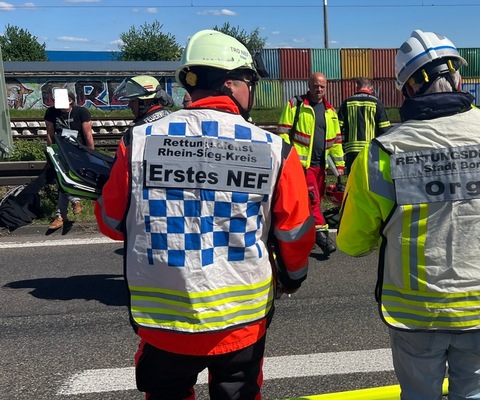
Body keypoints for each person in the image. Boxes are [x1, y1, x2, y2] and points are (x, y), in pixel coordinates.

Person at [94, 29, 316, 399]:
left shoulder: (138, 141)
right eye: (250, 81)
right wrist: (293, 278)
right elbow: (294, 233)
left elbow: (111, 223)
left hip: (163, 322)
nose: (251, 90)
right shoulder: (275, 149)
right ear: (233, 83)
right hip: (240, 320)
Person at [337, 30, 480, 400]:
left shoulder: (382, 151)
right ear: (458, 77)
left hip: (418, 313)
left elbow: (352, 243)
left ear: (408, 91)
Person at [277, 71, 343, 257]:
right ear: (309, 85)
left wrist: (339, 168)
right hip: (301, 166)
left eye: (322, 86)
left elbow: (336, 141)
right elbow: (283, 133)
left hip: (321, 167)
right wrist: (289, 160)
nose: (319, 89)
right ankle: (323, 238)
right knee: (314, 201)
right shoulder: (295, 105)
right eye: (316, 86)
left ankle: (306, 238)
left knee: (311, 202)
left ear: (326, 87)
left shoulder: (331, 112)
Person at [43, 89, 94, 230]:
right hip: (60, 151)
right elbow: (49, 134)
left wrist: (90, 153)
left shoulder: (81, 112)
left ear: (70, 100)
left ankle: (61, 215)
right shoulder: (51, 112)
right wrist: (49, 152)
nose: (54, 102)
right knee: (62, 180)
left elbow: (88, 134)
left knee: (65, 181)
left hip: (77, 151)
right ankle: (72, 204)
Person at [337, 77, 391, 174]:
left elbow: (338, 128)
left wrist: (342, 147)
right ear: (370, 88)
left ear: (357, 87)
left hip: (351, 151)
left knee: (353, 180)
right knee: (369, 181)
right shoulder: (377, 103)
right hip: (370, 150)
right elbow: (384, 130)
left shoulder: (347, 103)